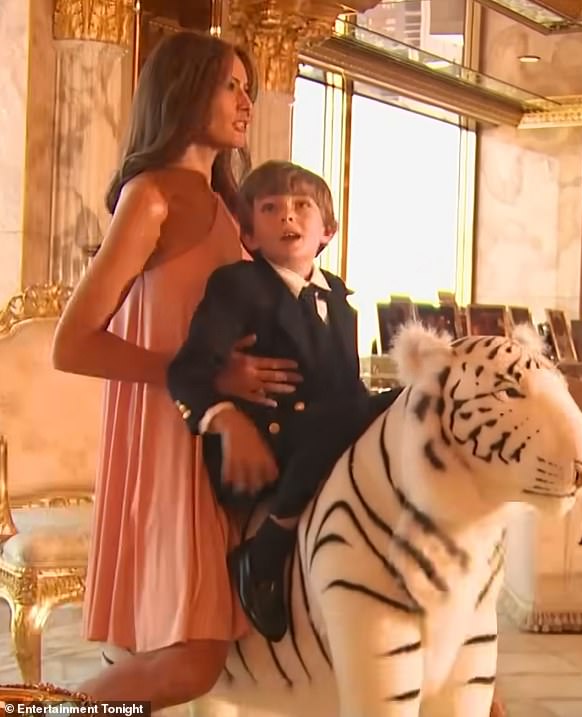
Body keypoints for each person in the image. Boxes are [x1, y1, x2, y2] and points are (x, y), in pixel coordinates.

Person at [52, 32, 301, 709]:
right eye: (232, 85)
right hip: (168, 439)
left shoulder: (225, 206)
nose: (248, 100)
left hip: (221, 443)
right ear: (183, 91)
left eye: (248, 85)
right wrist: (208, 377)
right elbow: (72, 344)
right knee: (194, 659)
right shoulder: (150, 196)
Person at [167, 160, 400, 642]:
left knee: (408, 400)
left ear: (327, 230)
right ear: (250, 236)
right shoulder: (239, 285)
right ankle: (265, 552)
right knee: (351, 414)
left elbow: (346, 388)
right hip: (265, 447)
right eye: (270, 209)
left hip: (325, 432)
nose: (287, 218)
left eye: (301, 207)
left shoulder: (337, 296)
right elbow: (187, 371)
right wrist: (227, 420)